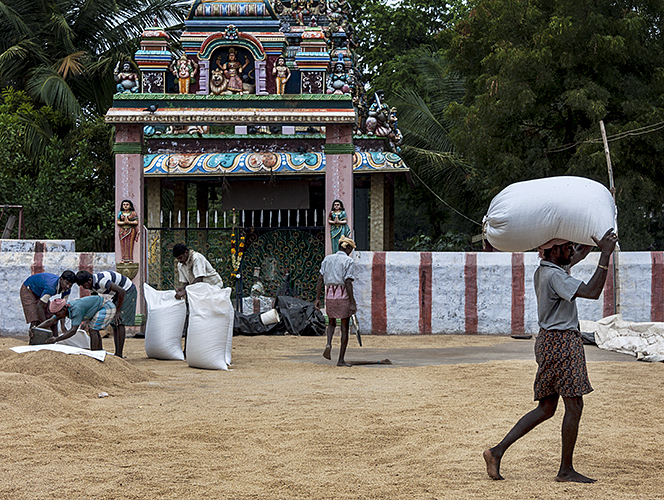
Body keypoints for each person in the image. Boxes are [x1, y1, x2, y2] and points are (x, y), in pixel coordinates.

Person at [483, 228, 618, 483]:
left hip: (548, 341)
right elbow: (592, 292)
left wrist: (591, 239)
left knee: (546, 408)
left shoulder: (546, 270)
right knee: (574, 406)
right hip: (563, 343)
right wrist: (605, 256)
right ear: (554, 251)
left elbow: (575, 256)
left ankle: (496, 451)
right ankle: (565, 470)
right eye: (567, 246)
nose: (571, 250)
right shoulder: (556, 277)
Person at [315, 235, 357, 367]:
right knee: (344, 326)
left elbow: (320, 279)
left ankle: (328, 343)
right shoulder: (348, 261)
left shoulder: (327, 259)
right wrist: (352, 302)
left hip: (329, 294)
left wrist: (317, 298)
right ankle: (341, 360)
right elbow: (348, 282)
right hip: (342, 293)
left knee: (331, 322)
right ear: (348, 248)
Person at [76, 270, 136, 358]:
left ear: (89, 280)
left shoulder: (101, 281)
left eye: (83, 285)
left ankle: (119, 355)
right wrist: (89, 320)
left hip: (127, 291)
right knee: (114, 323)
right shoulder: (91, 286)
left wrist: (118, 311)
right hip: (118, 294)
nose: (84, 287)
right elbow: (95, 302)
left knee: (119, 321)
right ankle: (113, 354)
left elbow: (121, 291)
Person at [37, 296, 116, 352]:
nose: (57, 316)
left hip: (106, 306)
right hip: (98, 308)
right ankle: (99, 351)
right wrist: (36, 328)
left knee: (93, 330)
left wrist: (56, 339)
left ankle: (95, 354)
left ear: (64, 309)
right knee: (93, 329)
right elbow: (51, 321)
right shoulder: (63, 310)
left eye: (57, 314)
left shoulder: (76, 309)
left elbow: (73, 331)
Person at [21, 271, 76, 338]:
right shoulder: (51, 287)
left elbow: (62, 309)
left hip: (40, 292)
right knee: (35, 318)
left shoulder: (67, 290)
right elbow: (39, 307)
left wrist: (63, 326)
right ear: (61, 279)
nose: (68, 286)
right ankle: (34, 341)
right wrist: (46, 327)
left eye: (70, 285)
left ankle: (54, 340)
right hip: (29, 289)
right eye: (66, 283)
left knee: (52, 316)